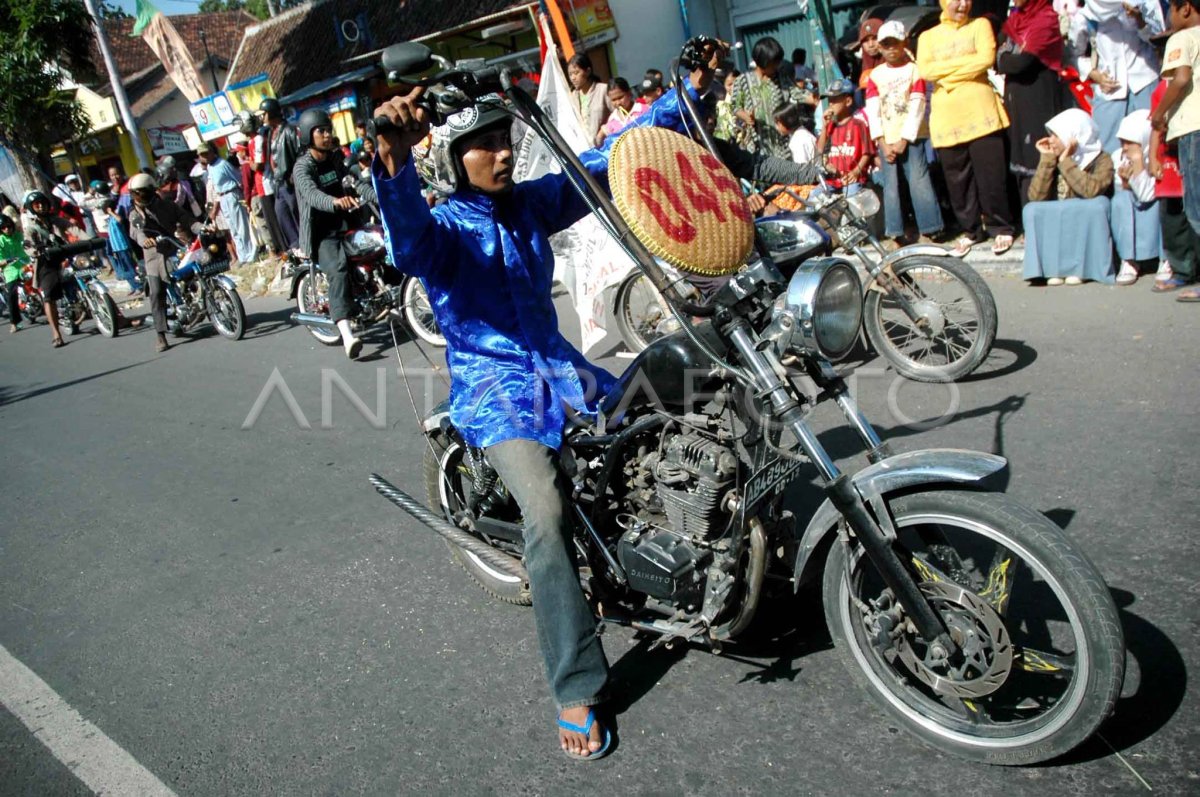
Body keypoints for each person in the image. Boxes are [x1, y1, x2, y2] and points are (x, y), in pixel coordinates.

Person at [370, 38, 781, 761]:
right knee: (549, 511)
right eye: (484, 145)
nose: (501, 154)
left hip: (564, 370)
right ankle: (576, 684)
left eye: (505, 140)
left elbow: (613, 161)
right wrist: (395, 164)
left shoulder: (531, 204)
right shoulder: (442, 234)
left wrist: (686, 93)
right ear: (452, 158)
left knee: (683, 397)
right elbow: (405, 242)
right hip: (498, 393)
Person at [918, 0, 1016, 256]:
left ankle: (1001, 227)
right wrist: (965, 68)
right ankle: (971, 229)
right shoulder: (928, 37)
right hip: (947, 118)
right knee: (957, 180)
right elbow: (926, 70)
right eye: (955, 0)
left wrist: (947, 75)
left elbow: (985, 59)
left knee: (991, 175)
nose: (962, 4)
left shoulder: (980, 25)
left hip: (981, 112)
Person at [293, 108, 374, 360]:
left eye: (329, 130)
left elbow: (354, 183)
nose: (327, 135)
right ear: (308, 135)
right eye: (321, 131)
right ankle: (347, 334)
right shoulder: (302, 167)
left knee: (377, 248)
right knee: (338, 271)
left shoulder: (336, 158)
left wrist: (379, 197)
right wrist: (335, 202)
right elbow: (311, 195)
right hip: (322, 233)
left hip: (346, 222)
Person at [865, 20, 945, 243]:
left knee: (919, 180)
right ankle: (895, 232)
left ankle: (930, 228)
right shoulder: (875, 75)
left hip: (912, 137)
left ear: (904, 43)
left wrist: (904, 139)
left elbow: (918, 104)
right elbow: (873, 110)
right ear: (880, 47)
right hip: (886, 139)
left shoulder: (915, 70)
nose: (891, 49)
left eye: (895, 43)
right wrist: (881, 141)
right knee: (891, 187)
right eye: (886, 44)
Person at [1022, 109, 1116, 284]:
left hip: (1082, 215)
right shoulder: (1052, 158)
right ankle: (1051, 269)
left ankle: (1083, 269)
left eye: (1056, 135)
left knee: (1097, 206)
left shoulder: (1102, 159)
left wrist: (1066, 162)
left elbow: (1091, 191)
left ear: (1074, 135)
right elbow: (1035, 197)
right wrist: (1047, 160)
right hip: (1059, 217)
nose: (1050, 140)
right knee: (1032, 209)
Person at [997, 0, 1071, 203]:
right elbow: (1000, 54)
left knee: (1038, 157)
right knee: (1020, 156)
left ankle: (1042, 219)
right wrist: (1004, 58)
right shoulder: (1016, 19)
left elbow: (1019, 63)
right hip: (1017, 99)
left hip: (1039, 98)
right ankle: (1029, 220)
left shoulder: (1045, 20)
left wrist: (1004, 57)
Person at [1070, 0, 1165, 150]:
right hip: (1110, 91)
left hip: (1144, 82)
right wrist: (1094, 74)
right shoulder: (1086, 15)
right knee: (1108, 151)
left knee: (1149, 146)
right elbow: (1073, 54)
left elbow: (1159, 38)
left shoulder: (1145, 4)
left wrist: (1140, 21)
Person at [1153, 0, 1200, 299]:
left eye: (1170, 9)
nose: (1169, 16)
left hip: (1193, 129)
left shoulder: (1182, 37)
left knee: (1196, 209)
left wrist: (1160, 113)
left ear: (1185, 9)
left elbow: (1181, 78)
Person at [127, 173, 202, 353]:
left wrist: (202, 227)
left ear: (151, 191)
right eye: (135, 194)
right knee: (156, 291)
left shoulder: (167, 205)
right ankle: (160, 334)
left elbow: (187, 220)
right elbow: (137, 232)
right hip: (153, 254)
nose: (138, 198)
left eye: (141, 193)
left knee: (198, 270)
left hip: (175, 247)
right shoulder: (135, 214)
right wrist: (145, 240)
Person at [1110, 110, 1161, 283]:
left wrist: (1139, 165)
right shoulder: (1118, 157)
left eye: (1130, 142)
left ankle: (1166, 259)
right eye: (1122, 141)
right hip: (1133, 208)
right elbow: (1123, 195)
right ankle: (1128, 260)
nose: (1124, 147)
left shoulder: (1158, 158)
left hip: (1153, 207)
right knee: (1121, 199)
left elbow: (1148, 196)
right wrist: (1126, 183)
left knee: (1164, 202)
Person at [730, 36, 804, 158]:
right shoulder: (743, 80)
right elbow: (735, 106)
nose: (777, 66)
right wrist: (746, 116)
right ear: (763, 62)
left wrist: (813, 98)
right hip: (757, 143)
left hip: (782, 144)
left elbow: (796, 93)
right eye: (774, 63)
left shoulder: (781, 78)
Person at [20, 190, 75, 347]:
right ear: (32, 207)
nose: (41, 206)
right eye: (37, 204)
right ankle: (56, 333)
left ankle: (118, 318)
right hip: (46, 262)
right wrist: (34, 251)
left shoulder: (56, 220)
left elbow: (72, 228)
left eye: (43, 203)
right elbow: (28, 244)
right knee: (49, 296)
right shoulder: (31, 228)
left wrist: (89, 239)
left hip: (63, 256)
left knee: (89, 274)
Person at [197, 142, 257, 265]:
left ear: (212, 152)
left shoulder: (223, 164)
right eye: (201, 155)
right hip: (222, 197)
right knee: (233, 229)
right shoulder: (210, 167)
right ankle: (243, 256)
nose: (204, 157)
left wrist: (244, 197)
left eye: (205, 153)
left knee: (241, 226)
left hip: (232, 194)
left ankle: (251, 254)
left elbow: (238, 179)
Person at [815, 78, 872, 194]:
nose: (830, 104)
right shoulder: (830, 126)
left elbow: (867, 153)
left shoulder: (858, 125)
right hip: (833, 180)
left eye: (835, 100)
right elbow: (820, 150)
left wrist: (856, 171)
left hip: (852, 179)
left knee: (852, 198)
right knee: (814, 196)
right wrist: (824, 126)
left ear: (848, 101)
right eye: (829, 100)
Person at [260, 97, 301, 250]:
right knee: (281, 215)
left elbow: (300, 154)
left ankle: (307, 246)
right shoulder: (271, 133)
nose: (262, 117)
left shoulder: (289, 131)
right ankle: (296, 248)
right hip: (278, 183)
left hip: (290, 182)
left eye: (264, 113)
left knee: (297, 215)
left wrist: (295, 175)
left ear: (271, 113)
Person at [567, 52, 611, 144]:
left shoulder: (603, 90)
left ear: (588, 71)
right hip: (585, 150)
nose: (573, 78)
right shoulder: (572, 97)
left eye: (576, 73)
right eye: (570, 74)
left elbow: (618, 115)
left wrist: (603, 131)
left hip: (606, 146)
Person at [595, 78, 647, 145]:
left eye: (620, 97)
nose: (618, 103)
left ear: (629, 93)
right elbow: (601, 137)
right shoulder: (613, 119)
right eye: (613, 100)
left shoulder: (643, 110)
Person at [1, 213, 28, 333]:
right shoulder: (1, 240)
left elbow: (28, 245)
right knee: (12, 294)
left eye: (8, 226)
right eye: (3, 228)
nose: (7, 229)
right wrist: (6, 261)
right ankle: (14, 322)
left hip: (25, 264)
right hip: (10, 269)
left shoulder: (19, 235)